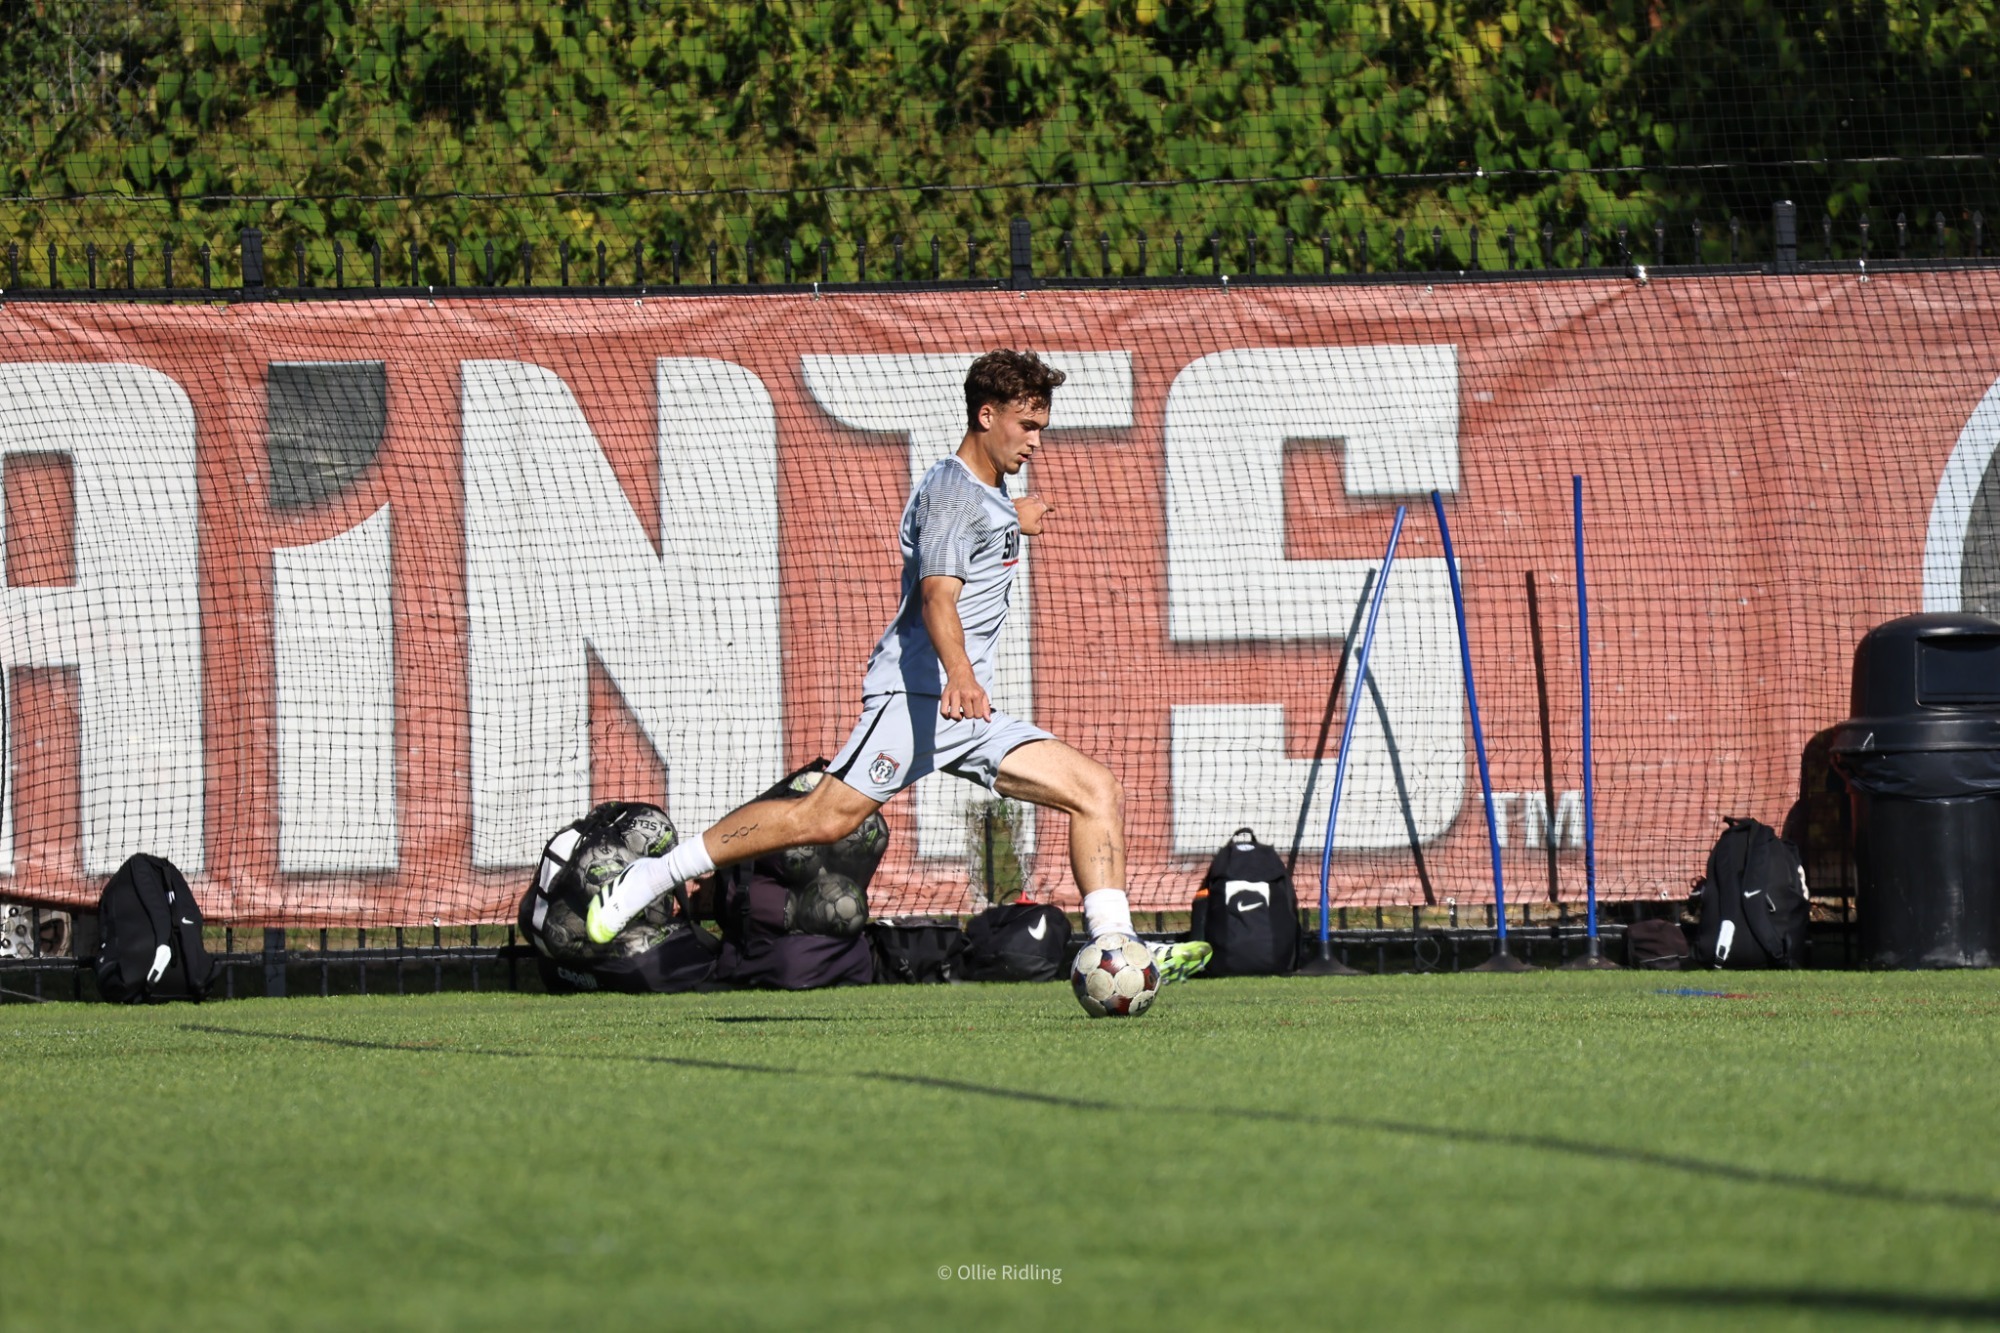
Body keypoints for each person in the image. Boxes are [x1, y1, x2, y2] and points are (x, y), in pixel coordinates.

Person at [585, 350, 1208, 989]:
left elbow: (980, 535)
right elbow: (938, 595)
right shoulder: (950, 492)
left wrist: (1012, 522)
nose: (1035, 441)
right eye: (1026, 426)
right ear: (985, 415)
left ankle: (1117, 946)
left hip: (966, 712)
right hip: (919, 696)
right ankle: (651, 876)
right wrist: (961, 675)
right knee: (823, 818)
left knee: (1096, 791)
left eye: (1042, 427)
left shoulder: (988, 495)